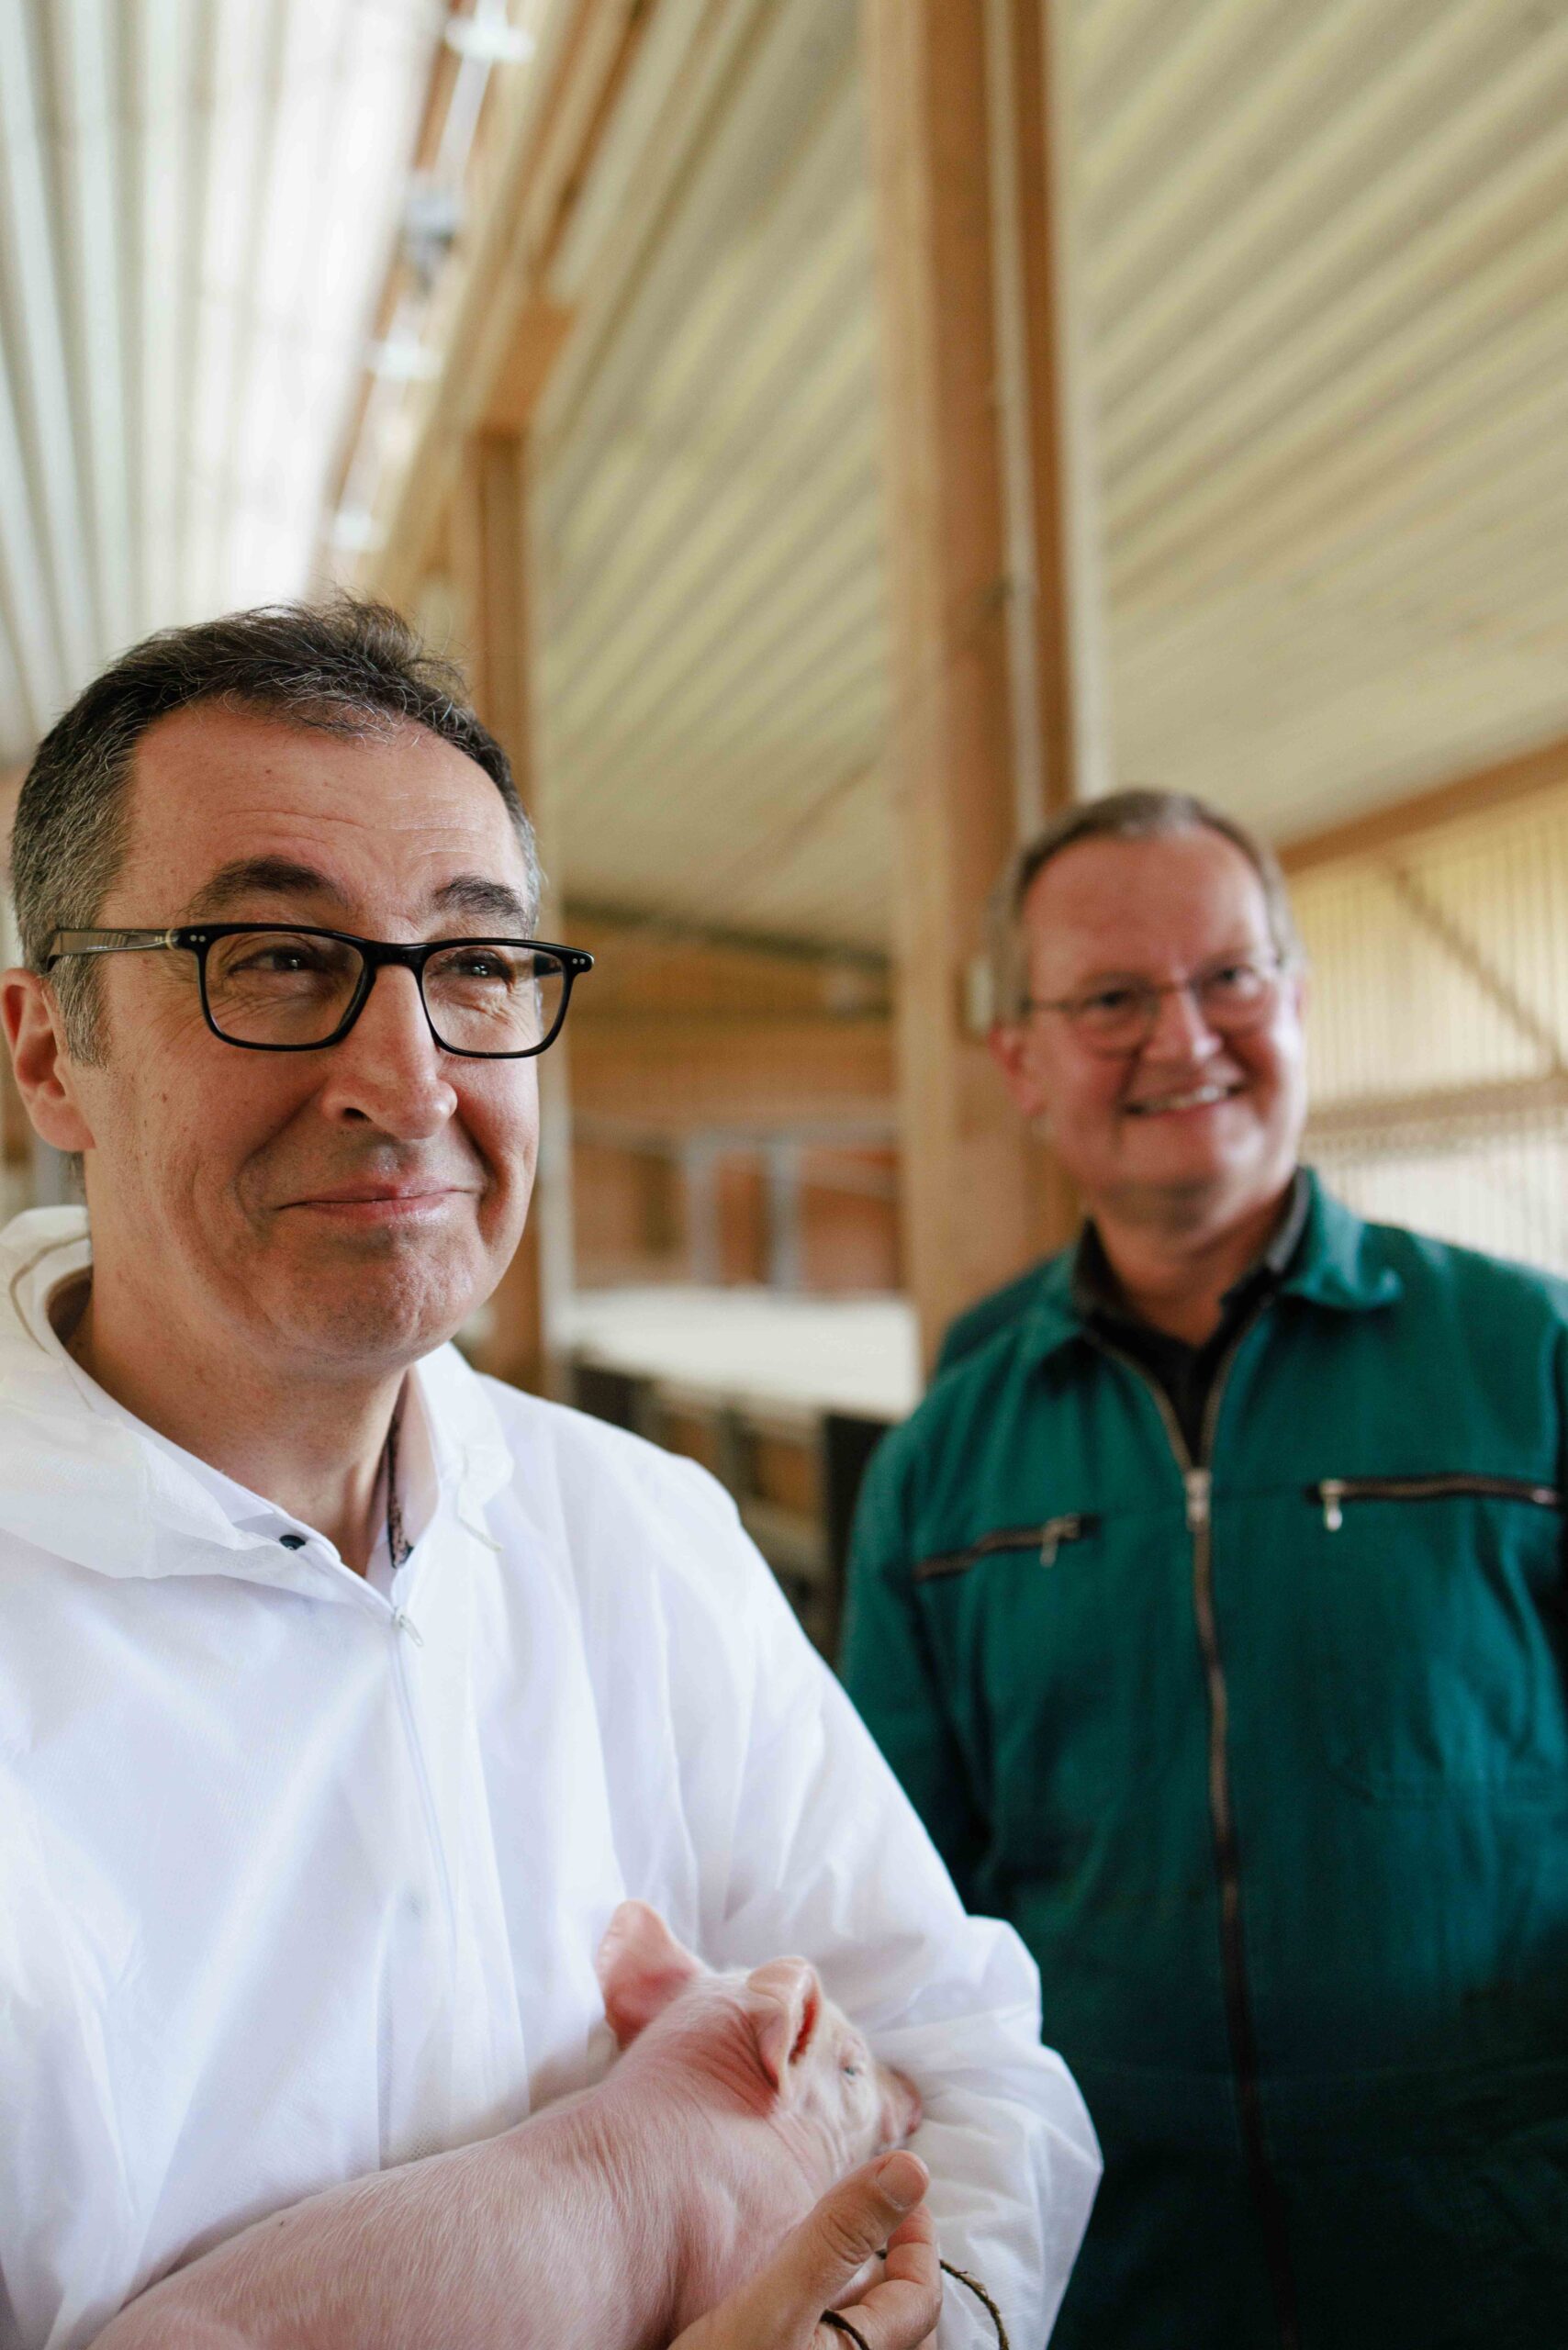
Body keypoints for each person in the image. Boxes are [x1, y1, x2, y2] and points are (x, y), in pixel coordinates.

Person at [0, 602, 1099, 2350]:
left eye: (477, 965)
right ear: (53, 1048)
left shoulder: (636, 1531)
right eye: (275, 960)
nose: (408, 1077)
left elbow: (966, 2055)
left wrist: (925, 2316)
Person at [842, 789, 1568, 2350]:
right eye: (1112, 997)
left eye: (1231, 977)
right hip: (1116, 2256)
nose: (1186, 1036)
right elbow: (900, 1918)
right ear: (1024, 1062)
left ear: (1299, 1005)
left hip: (1502, 2240)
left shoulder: (1530, 1364)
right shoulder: (946, 1468)